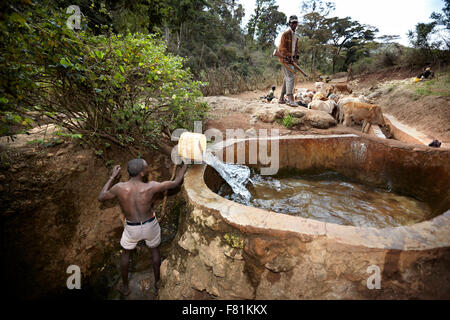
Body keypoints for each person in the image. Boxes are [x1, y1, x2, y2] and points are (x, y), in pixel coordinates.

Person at [98, 159, 188, 296]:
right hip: (150, 225)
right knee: (154, 251)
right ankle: (157, 283)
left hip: (132, 228)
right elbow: (176, 182)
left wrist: (112, 177)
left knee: (126, 253)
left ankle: (125, 287)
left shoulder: (119, 188)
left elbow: (101, 196)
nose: (148, 169)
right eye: (146, 167)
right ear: (141, 173)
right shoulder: (150, 187)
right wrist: (186, 164)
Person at [278, 15, 300, 107]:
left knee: (286, 78)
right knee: (290, 77)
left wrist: (296, 59)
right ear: (289, 24)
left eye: (296, 23)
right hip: (284, 58)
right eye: (292, 23)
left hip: (291, 60)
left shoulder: (295, 36)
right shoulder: (285, 34)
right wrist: (288, 57)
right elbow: (282, 48)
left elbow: (296, 49)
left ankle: (281, 98)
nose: (294, 24)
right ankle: (290, 99)